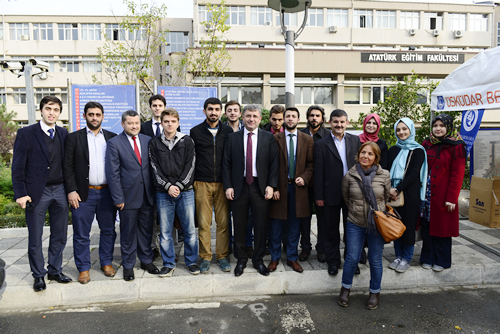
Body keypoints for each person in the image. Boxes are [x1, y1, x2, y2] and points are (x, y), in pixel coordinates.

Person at [12, 96, 71, 292]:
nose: (51, 113)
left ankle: (55, 270)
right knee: (35, 236)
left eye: (55, 109)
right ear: (41, 111)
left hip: (61, 190)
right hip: (37, 192)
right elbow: (18, 166)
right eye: (48, 109)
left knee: (60, 234)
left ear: (59, 112)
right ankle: (38, 275)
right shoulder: (26, 133)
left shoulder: (63, 133)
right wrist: (21, 193)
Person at [63, 101, 117, 284]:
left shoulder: (112, 137)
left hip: (107, 193)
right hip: (82, 195)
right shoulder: (73, 138)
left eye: (98, 114)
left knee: (108, 230)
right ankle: (84, 268)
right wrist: (71, 190)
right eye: (91, 114)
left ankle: (106, 262)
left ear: (103, 116)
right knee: (81, 233)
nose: (94, 117)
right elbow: (67, 167)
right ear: (84, 115)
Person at [223, 104, 279, 277]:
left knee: (260, 225)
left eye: (255, 116)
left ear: (260, 119)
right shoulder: (233, 138)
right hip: (239, 186)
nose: (251, 119)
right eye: (248, 116)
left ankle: (258, 259)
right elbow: (226, 163)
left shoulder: (268, 137)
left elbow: (274, 163)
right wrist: (228, 186)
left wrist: (271, 185)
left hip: (259, 187)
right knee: (239, 224)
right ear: (242, 117)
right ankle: (241, 260)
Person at [105, 110, 160, 281]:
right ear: (123, 124)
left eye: (136, 123)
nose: (134, 126)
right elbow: (112, 173)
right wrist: (118, 197)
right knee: (128, 232)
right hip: (127, 197)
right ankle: (128, 265)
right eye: (130, 123)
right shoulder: (114, 143)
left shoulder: (147, 140)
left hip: (147, 195)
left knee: (146, 231)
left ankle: (146, 260)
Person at [339, 141, 391, 310]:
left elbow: (385, 198)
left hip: (377, 224)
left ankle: (374, 292)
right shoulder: (350, 175)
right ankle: (345, 289)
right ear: (358, 154)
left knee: (375, 260)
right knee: (352, 258)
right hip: (355, 222)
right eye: (363, 153)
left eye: (370, 154)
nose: (365, 156)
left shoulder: (384, 175)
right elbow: (347, 199)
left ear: (375, 157)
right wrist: (358, 211)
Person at [149, 108, 200, 277]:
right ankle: (168, 263)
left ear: (178, 123)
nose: (170, 124)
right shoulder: (154, 143)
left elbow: (191, 167)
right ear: (161, 123)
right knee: (164, 232)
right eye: (166, 121)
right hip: (163, 193)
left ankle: (191, 261)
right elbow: (154, 168)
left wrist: (178, 185)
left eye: (173, 121)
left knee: (190, 230)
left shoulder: (187, 141)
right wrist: (167, 187)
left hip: (185, 192)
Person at [314, 109, 360, 276]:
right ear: (329, 123)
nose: (339, 125)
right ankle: (333, 262)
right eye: (335, 121)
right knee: (330, 230)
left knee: (352, 231)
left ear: (347, 123)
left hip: (353, 193)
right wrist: (319, 196)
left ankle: (351, 262)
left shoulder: (356, 141)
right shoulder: (320, 144)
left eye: (342, 122)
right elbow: (318, 172)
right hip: (330, 193)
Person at [269, 107, 314, 273]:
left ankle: (292, 258)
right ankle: (274, 258)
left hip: (298, 188)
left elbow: (311, 164)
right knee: (276, 225)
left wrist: (305, 177)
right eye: (287, 116)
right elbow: (271, 165)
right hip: (279, 188)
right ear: (283, 119)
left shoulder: (307, 139)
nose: (290, 119)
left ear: (298, 119)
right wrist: (273, 187)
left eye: (293, 116)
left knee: (295, 226)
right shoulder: (274, 139)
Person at [190, 98, 232, 274]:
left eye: (216, 109)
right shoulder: (195, 132)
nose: (213, 112)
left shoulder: (228, 131)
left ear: (221, 112)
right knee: (204, 223)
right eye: (210, 109)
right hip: (202, 182)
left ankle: (222, 256)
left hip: (223, 183)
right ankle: (206, 257)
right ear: (204, 111)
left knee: (223, 223)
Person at [420, 114, 466, 271]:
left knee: (442, 228)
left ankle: (441, 260)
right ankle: (427, 257)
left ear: (449, 127)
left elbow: (458, 174)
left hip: (443, 195)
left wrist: (452, 198)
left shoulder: (457, 145)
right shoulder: (427, 144)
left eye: (442, 125)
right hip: (426, 194)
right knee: (427, 226)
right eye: (435, 125)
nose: (438, 129)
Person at [387, 118, 428, 273]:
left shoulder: (418, 151)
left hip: (409, 194)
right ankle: (398, 256)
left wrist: (397, 189)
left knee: (408, 226)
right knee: (396, 225)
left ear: (411, 129)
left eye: (404, 129)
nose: (401, 132)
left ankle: (406, 258)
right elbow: (386, 171)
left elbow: (412, 174)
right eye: (398, 130)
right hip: (392, 194)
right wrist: (390, 189)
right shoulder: (393, 150)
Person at [299, 105, 331, 262]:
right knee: (304, 219)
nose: (314, 118)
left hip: (321, 185)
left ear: (322, 118)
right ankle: (305, 247)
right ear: (307, 118)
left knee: (322, 219)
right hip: (303, 185)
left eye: (317, 116)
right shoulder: (300, 134)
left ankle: (322, 249)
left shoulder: (328, 135)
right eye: (311, 115)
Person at [224, 100, 254, 257]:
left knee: (248, 215)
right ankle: (229, 243)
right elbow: (226, 161)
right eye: (229, 110)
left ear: (240, 114)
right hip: (230, 180)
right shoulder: (223, 131)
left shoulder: (248, 128)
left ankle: (248, 243)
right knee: (227, 216)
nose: (233, 113)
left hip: (247, 181)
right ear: (226, 113)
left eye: (235, 110)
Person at [140, 94, 167, 259]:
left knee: (166, 216)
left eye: (160, 105)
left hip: (166, 177)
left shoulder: (171, 125)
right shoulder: (143, 127)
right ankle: (152, 247)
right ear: (150, 107)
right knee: (151, 215)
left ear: (164, 107)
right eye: (154, 105)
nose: (157, 108)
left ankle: (168, 248)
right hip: (148, 177)